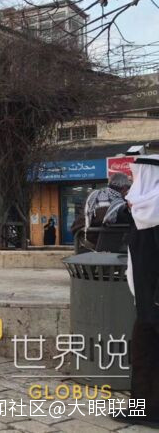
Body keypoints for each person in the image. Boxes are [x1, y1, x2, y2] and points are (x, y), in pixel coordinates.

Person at [121, 155, 159, 424]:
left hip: (154, 302)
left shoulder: (154, 211)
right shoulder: (146, 210)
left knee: (146, 354)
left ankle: (146, 411)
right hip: (147, 299)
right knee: (145, 354)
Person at [83, 172, 131, 246]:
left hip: (91, 239)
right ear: (124, 188)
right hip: (114, 243)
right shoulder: (121, 204)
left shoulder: (94, 195)